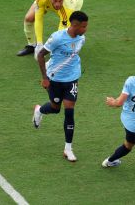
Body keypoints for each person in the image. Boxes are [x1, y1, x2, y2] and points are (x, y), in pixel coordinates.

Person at [32, 10, 89, 162]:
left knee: (69, 112)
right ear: (75, 25)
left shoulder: (81, 38)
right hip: (55, 79)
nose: (85, 29)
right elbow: (40, 55)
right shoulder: (57, 38)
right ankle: (39, 110)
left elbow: (74, 55)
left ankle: (68, 149)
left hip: (72, 79)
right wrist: (44, 78)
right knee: (55, 108)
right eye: (83, 26)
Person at [17, 0, 84, 58]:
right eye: (55, 1)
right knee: (29, 18)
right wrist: (39, 44)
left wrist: (47, 49)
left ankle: (71, 47)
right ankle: (31, 46)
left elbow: (60, 33)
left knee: (69, 29)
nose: (57, 4)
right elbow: (38, 18)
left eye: (60, 1)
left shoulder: (68, 7)